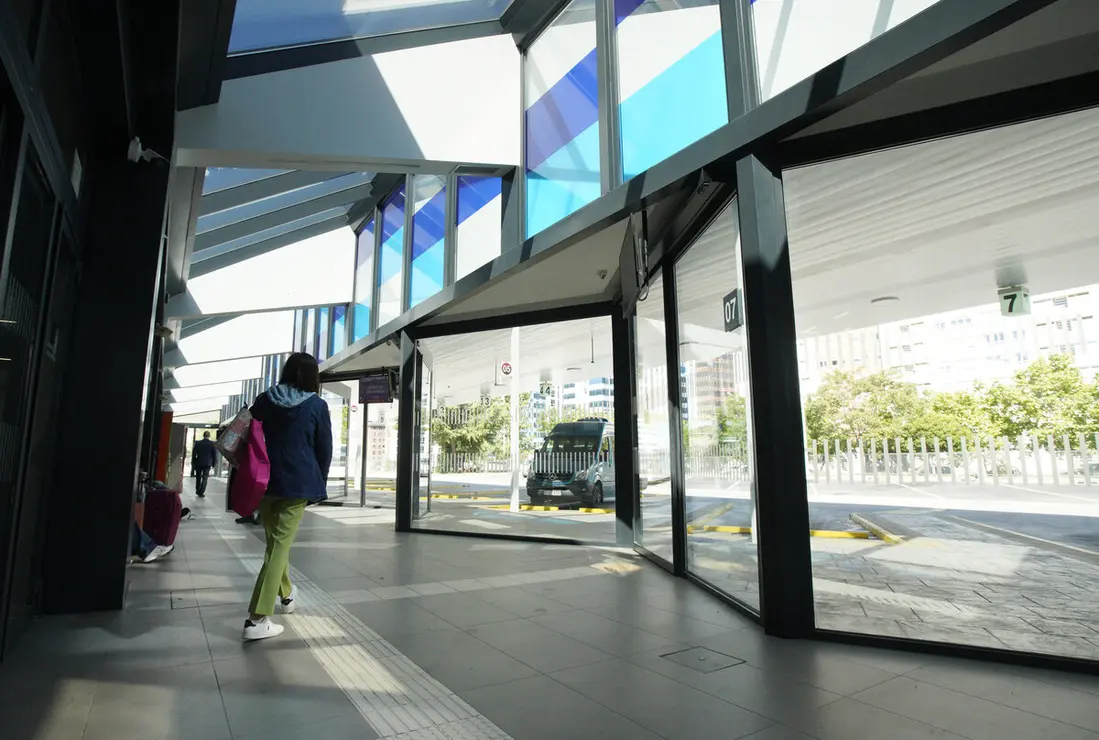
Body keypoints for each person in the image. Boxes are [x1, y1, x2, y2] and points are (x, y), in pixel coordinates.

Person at [242, 353, 332, 641]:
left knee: (275, 544)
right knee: (278, 548)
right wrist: (320, 481)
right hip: (298, 483)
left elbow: (247, 434)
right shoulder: (317, 405)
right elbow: (324, 449)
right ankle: (257, 619)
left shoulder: (265, 400)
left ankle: (288, 594)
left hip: (265, 480)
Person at [191, 431, 218, 498]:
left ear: (203, 435)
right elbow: (214, 454)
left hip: (199, 462)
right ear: (209, 436)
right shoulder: (212, 444)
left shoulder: (198, 443)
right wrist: (214, 463)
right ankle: (201, 491)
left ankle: (198, 490)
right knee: (205, 478)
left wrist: (194, 462)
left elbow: (194, 454)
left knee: (198, 477)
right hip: (207, 463)